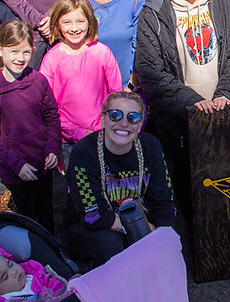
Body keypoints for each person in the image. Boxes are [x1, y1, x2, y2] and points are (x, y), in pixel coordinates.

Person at [135, 0, 230, 207]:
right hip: (176, 121)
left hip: (221, 114)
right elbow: (151, 70)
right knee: (184, 195)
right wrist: (193, 102)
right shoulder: (155, 8)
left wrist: (225, 94)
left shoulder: (223, 1)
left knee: (224, 192)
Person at [64, 91, 177, 266]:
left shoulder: (151, 146)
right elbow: (93, 215)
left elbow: (163, 199)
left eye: (133, 118)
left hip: (140, 218)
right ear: (103, 119)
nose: (124, 123)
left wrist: (162, 233)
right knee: (112, 246)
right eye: (115, 115)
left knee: (169, 241)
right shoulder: (84, 153)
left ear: (140, 125)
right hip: (95, 227)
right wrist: (143, 232)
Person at [0, 20, 62, 233]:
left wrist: (52, 149)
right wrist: (17, 165)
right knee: (27, 217)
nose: (20, 58)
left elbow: (52, 117)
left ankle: (54, 255)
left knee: (46, 212)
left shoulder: (38, 81)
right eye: (13, 51)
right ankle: (32, 259)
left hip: (42, 162)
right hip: (17, 169)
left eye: (25, 52)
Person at [40, 0, 123, 149]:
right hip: (66, 141)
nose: (74, 28)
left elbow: (116, 94)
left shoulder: (102, 52)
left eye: (80, 21)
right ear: (57, 24)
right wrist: (77, 132)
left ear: (90, 22)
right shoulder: (51, 59)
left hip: (103, 136)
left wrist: (100, 128)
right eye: (67, 22)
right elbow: (47, 107)